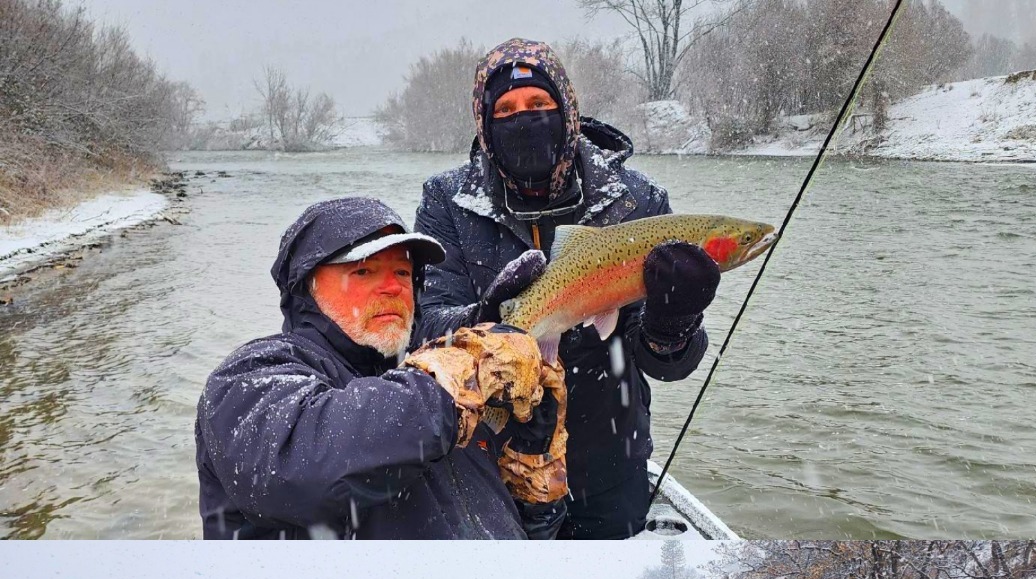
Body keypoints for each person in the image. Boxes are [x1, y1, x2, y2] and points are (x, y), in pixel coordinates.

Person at [415, 39, 721, 540]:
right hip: (492, 455)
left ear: (567, 107)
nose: (524, 119)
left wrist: (674, 326)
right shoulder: (447, 201)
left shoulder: (637, 200)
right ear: (484, 123)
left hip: (610, 453)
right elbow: (426, 331)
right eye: (506, 110)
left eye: (539, 104)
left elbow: (670, 366)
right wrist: (492, 318)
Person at [195, 196, 567, 539]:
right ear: (306, 285)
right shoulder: (250, 374)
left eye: (403, 273)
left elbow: (507, 534)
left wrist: (530, 464)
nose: (392, 287)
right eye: (364, 271)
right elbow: (297, 470)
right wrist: (460, 371)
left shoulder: (435, 389)